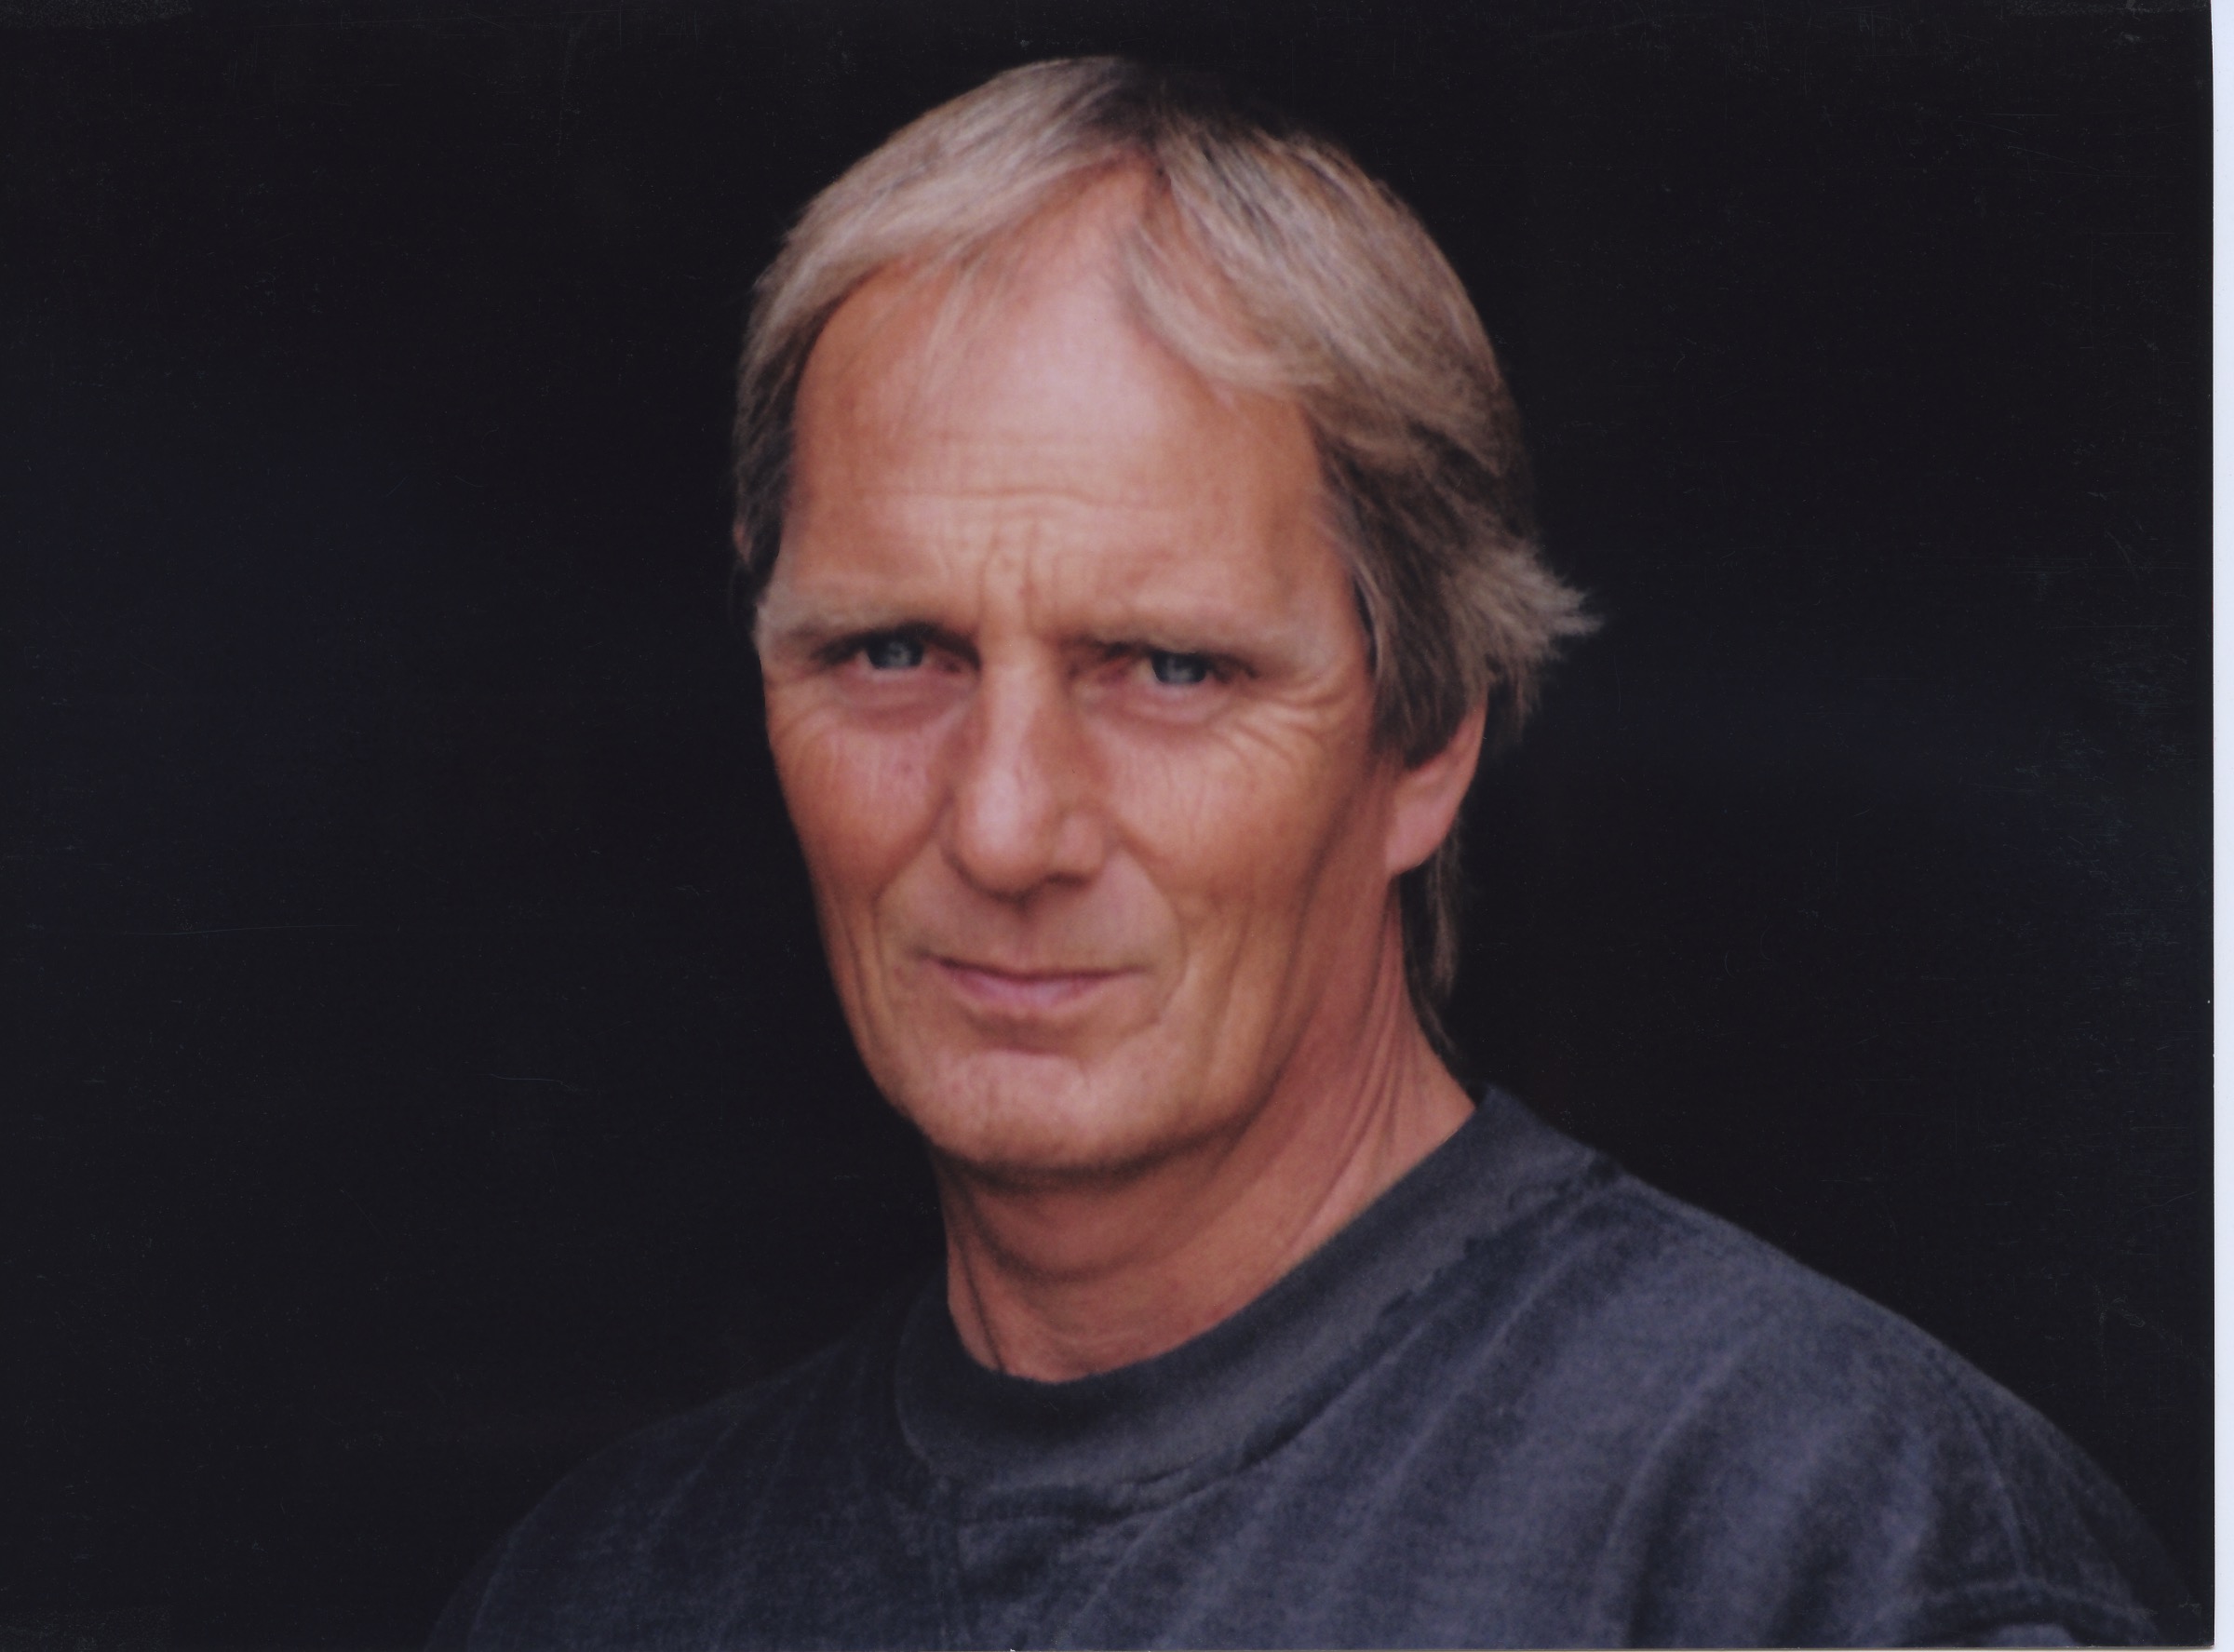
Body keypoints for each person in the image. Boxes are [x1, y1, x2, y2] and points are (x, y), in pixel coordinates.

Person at [430, 58, 2193, 1648]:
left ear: (1427, 740)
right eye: (894, 651)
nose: (1004, 825)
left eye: (1168, 669)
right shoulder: (597, 1592)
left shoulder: (1822, 1549)